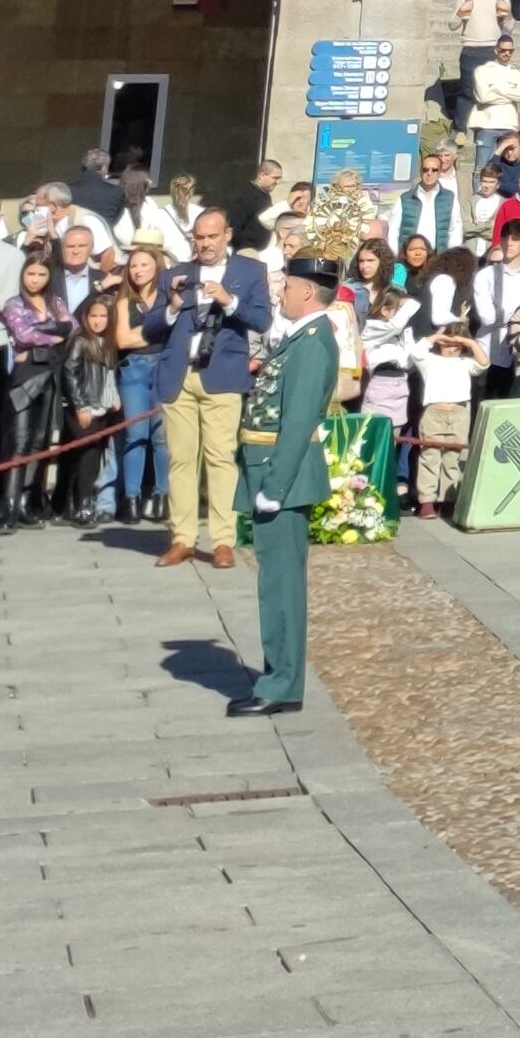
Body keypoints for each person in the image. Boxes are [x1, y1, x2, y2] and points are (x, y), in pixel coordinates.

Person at [236, 252, 347, 715]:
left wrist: (274, 486)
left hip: (282, 476)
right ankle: (279, 678)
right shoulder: (302, 338)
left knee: (280, 585)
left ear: (306, 291)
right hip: (270, 470)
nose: (280, 293)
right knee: (276, 581)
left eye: (286, 286)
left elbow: (298, 420)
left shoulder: (313, 343)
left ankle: (280, 684)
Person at [152, 209, 274, 566]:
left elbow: (263, 320)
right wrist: (172, 307)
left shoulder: (250, 272)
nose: (204, 243)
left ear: (227, 235)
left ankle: (222, 540)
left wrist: (229, 301)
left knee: (220, 458)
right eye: (199, 237)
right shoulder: (176, 274)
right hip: (179, 375)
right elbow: (150, 328)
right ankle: (182, 538)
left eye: (211, 236)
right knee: (181, 460)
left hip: (221, 376)